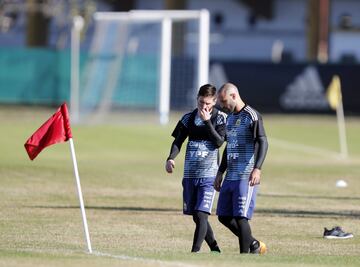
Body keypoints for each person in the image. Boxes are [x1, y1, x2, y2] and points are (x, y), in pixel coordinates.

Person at [165, 84, 227, 253]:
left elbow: (219, 142)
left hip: (209, 175)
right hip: (190, 175)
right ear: (197, 99)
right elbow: (178, 141)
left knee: (202, 215)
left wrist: (207, 121)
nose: (204, 106)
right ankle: (214, 248)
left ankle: (195, 252)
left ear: (214, 102)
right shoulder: (188, 118)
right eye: (201, 102)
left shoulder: (220, 118)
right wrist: (170, 158)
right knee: (196, 217)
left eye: (207, 103)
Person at [214, 82, 268, 254]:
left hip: (246, 175)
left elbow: (263, 141)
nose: (222, 106)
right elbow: (228, 148)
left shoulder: (252, 116)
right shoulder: (229, 119)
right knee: (223, 216)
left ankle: (244, 256)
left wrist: (257, 168)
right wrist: (220, 172)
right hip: (230, 176)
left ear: (234, 96)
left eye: (223, 101)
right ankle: (253, 244)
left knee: (241, 217)